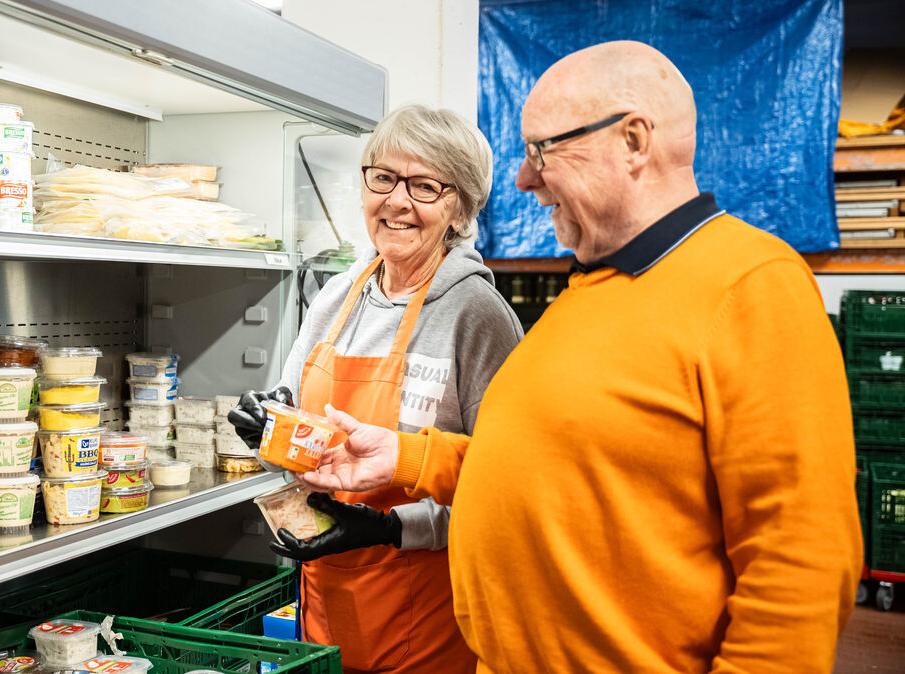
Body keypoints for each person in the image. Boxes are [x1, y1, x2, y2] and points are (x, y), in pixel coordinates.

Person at [301, 41, 863, 673]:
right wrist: (406, 455)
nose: (523, 179)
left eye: (544, 149)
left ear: (633, 141)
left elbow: (801, 564)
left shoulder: (750, 285)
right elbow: (545, 465)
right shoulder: (588, 295)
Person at [229, 104, 524, 673]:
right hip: (324, 611)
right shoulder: (336, 300)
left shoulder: (478, 316)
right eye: (384, 177)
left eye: (425, 186)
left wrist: (391, 528)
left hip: (426, 620)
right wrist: (269, 429)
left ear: (460, 207)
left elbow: (505, 490)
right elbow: (296, 452)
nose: (396, 201)